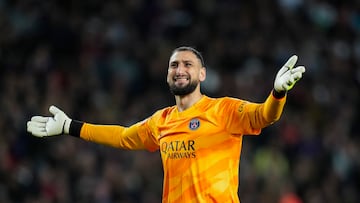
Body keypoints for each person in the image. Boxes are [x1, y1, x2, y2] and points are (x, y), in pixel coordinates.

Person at [27, 46, 305, 203]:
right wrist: (70, 126)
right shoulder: (161, 121)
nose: (180, 69)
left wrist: (277, 93)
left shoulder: (223, 109)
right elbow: (124, 137)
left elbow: (264, 116)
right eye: (174, 65)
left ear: (203, 74)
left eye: (188, 64)